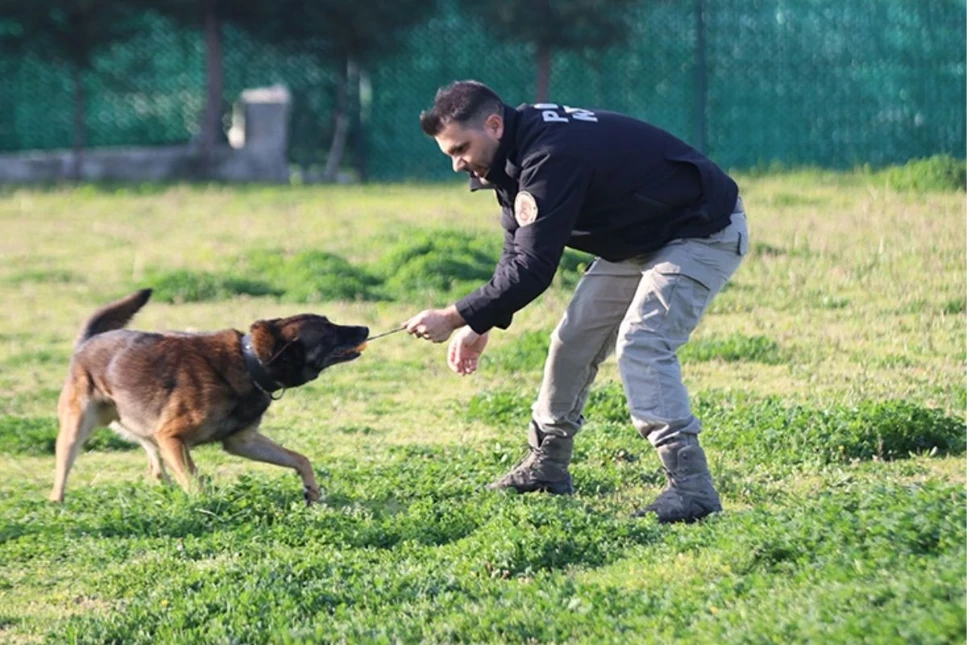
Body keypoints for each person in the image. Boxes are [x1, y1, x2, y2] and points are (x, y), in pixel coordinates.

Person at [404, 80, 748, 523]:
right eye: (450, 154)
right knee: (572, 340)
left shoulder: (548, 154)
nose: (457, 164)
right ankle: (547, 466)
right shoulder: (512, 152)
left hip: (701, 230)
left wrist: (452, 317)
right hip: (639, 238)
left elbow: (534, 268)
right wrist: (481, 320)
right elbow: (517, 248)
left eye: (461, 149)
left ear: (493, 124)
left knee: (643, 342)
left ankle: (691, 487)